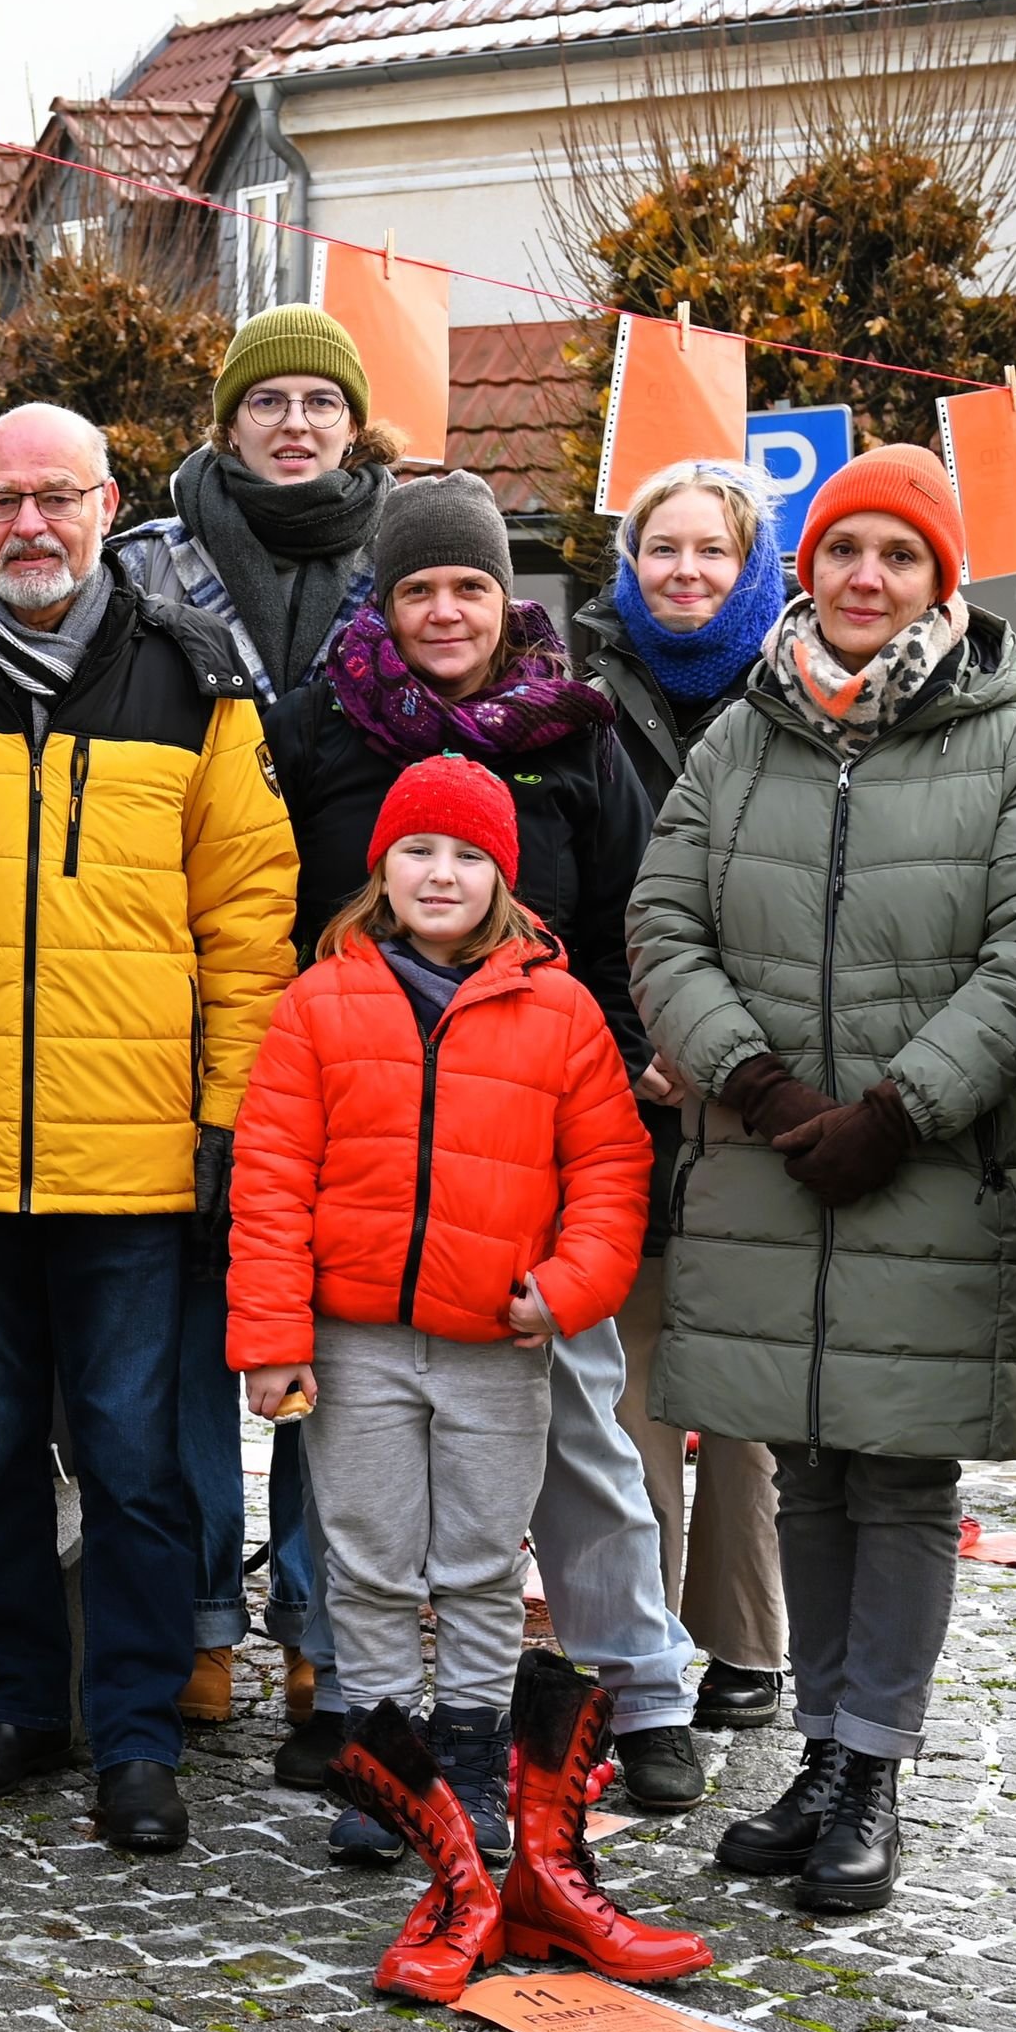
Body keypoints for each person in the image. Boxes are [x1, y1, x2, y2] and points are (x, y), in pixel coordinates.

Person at [629, 442, 1016, 1916]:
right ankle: (819, 1755)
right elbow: (664, 919)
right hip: (769, 1157)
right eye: (844, 551)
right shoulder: (744, 733)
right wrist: (758, 1088)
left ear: (939, 580)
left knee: (899, 1477)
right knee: (805, 1467)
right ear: (808, 567)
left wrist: (901, 1111)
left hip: (928, 1170)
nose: (867, 579)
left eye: (899, 556)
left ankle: (875, 1763)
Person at [0, 402, 297, 1857]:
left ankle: (137, 1731)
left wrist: (225, 1114)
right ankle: (16, 1706)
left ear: (109, 505)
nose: (29, 526)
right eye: (2, 501)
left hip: (133, 1156)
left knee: (131, 1460)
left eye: (56, 496)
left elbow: (248, 919)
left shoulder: (192, 675)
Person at [281, 469, 708, 1816]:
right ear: (386, 601)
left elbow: (641, 913)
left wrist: (629, 1084)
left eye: (469, 583)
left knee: (584, 1438)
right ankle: (359, 1715)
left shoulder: (573, 732)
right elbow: (287, 905)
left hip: (533, 1140)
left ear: (503, 594)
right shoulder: (327, 728)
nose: (446, 610)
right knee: (355, 1468)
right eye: (420, 588)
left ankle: (639, 1690)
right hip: (372, 1154)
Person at [229, 757, 650, 1868]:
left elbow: (609, 1171)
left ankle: (470, 1747)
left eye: (468, 855)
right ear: (381, 867)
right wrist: (270, 1338)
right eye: (418, 849)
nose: (440, 872)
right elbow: (271, 1174)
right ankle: (383, 1765)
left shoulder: (556, 1012)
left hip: (493, 1342)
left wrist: (559, 1293)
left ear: (502, 878)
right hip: (352, 1341)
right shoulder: (321, 1000)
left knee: (474, 1562)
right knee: (365, 1557)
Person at [113, 301, 400, 1741]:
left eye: (321, 401)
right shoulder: (144, 564)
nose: (296, 422)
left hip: (363, 1007)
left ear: (356, 425)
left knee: (323, 1338)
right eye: (269, 398)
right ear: (227, 421)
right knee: (181, 1336)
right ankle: (198, 1618)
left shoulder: (406, 559)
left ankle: (317, 1616)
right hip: (175, 999)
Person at [577, 460, 790, 1731]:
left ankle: (747, 1639)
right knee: (634, 1375)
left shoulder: (796, 693)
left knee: (746, 1385)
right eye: (663, 549)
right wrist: (630, 1038)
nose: (687, 573)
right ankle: (638, 1640)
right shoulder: (583, 693)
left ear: (752, 566)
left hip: (762, 1075)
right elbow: (570, 888)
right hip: (622, 1075)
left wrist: (736, 1048)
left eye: (713, 551)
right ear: (630, 562)